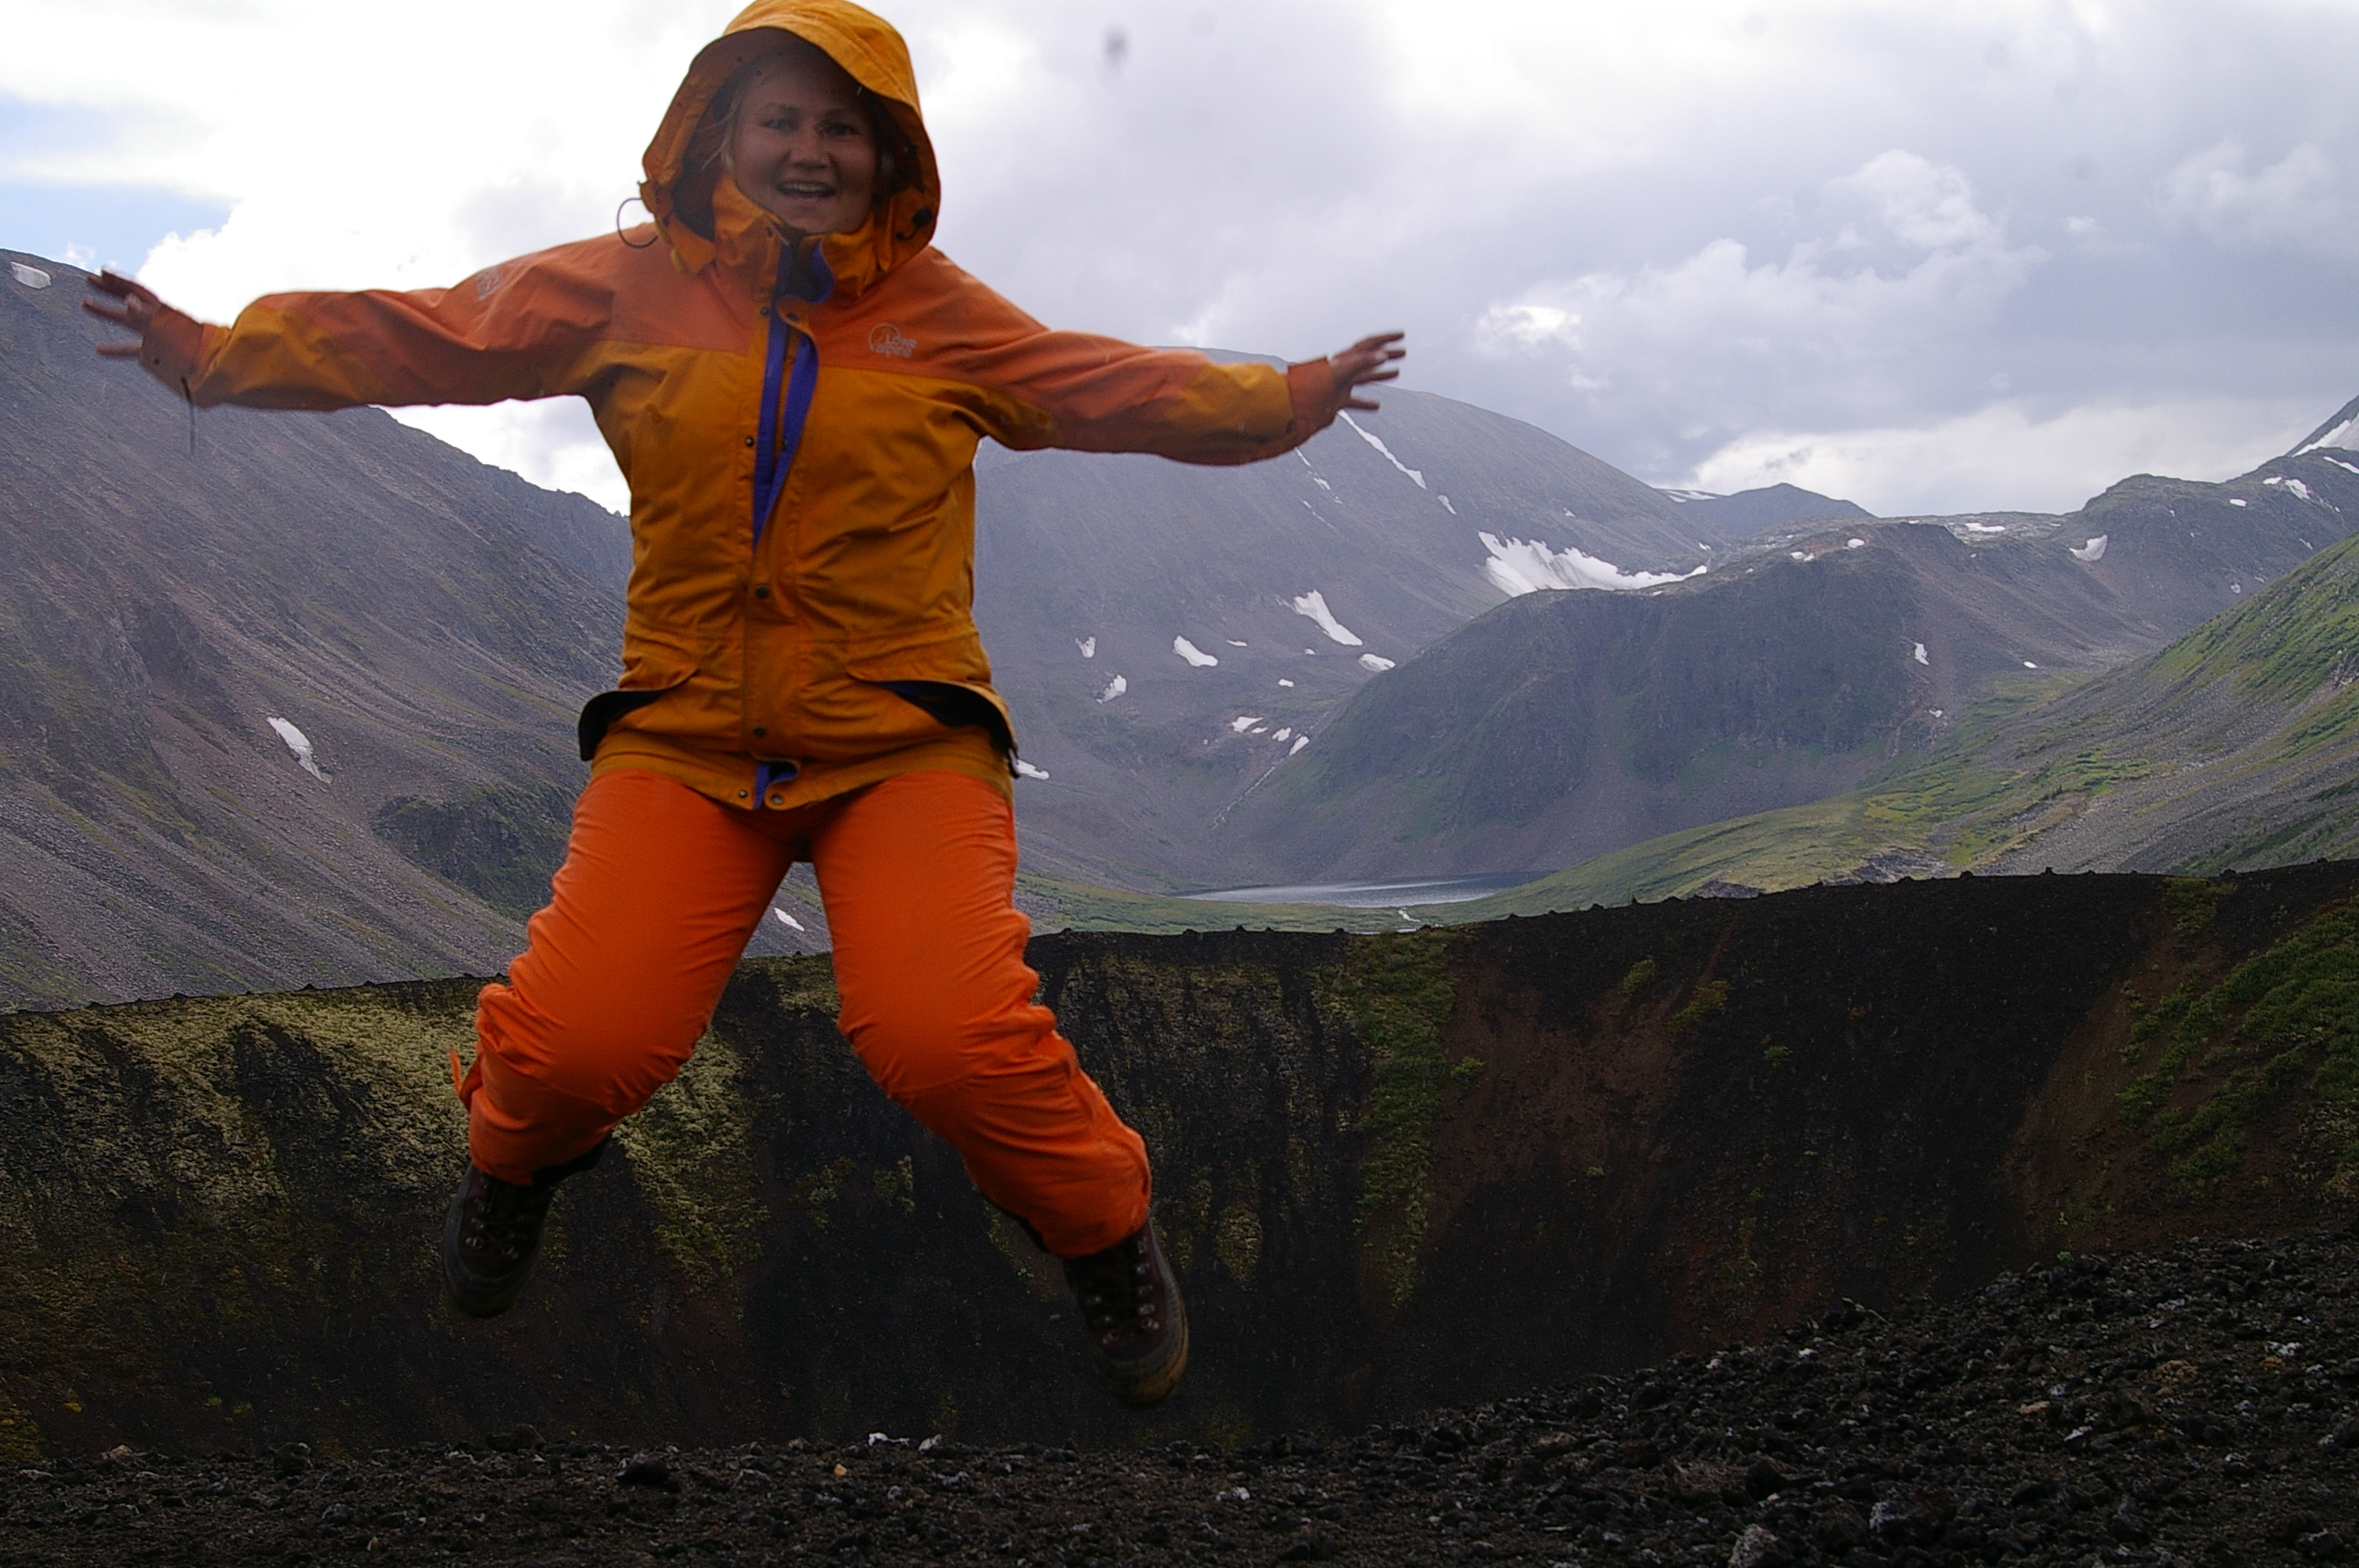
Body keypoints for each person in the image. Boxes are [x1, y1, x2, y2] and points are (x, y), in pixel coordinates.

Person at [86, 0, 1402, 1410]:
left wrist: (1283, 397)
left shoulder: (941, 316)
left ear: (890, 154)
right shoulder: (623, 288)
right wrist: (226, 354)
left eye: (844, 127)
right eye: (782, 117)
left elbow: (1107, 384)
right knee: (570, 1045)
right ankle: (512, 1166)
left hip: (903, 741)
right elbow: (443, 333)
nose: (809, 149)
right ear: (722, 133)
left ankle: (1103, 1234)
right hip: (687, 736)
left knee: (951, 1040)